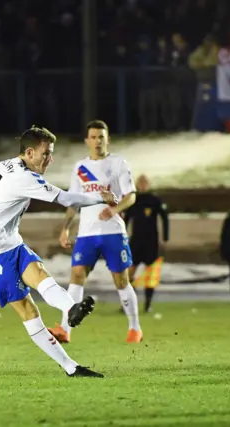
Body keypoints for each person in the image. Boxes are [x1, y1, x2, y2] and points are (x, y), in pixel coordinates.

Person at [0, 126, 110, 378]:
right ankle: (70, 367)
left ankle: (71, 310)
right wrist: (101, 198)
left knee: (41, 275)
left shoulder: (3, 166)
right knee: (28, 310)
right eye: (46, 154)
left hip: (12, 244)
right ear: (30, 152)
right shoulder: (24, 178)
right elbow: (64, 198)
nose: (49, 159)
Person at [48, 120, 142, 344]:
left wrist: (114, 210)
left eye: (101, 136)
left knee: (121, 280)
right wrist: (65, 228)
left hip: (113, 233)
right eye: (93, 137)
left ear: (107, 139)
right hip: (86, 234)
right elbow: (73, 201)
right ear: (86, 141)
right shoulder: (80, 167)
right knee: (76, 276)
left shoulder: (118, 163)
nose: (98, 141)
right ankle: (65, 329)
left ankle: (134, 328)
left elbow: (131, 196)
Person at [124, 174, 169, 313]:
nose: (143, 185)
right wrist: (122, 236)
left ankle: (148, 305)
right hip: (136, 240)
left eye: (145, 183)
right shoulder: (133, 199)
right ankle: (129, 304)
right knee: (129, 273)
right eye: (140, 183)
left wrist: (165, 237)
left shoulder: (154, 199)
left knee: (150, 275)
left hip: (151, 241)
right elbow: (126, 219)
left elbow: (165, 217)